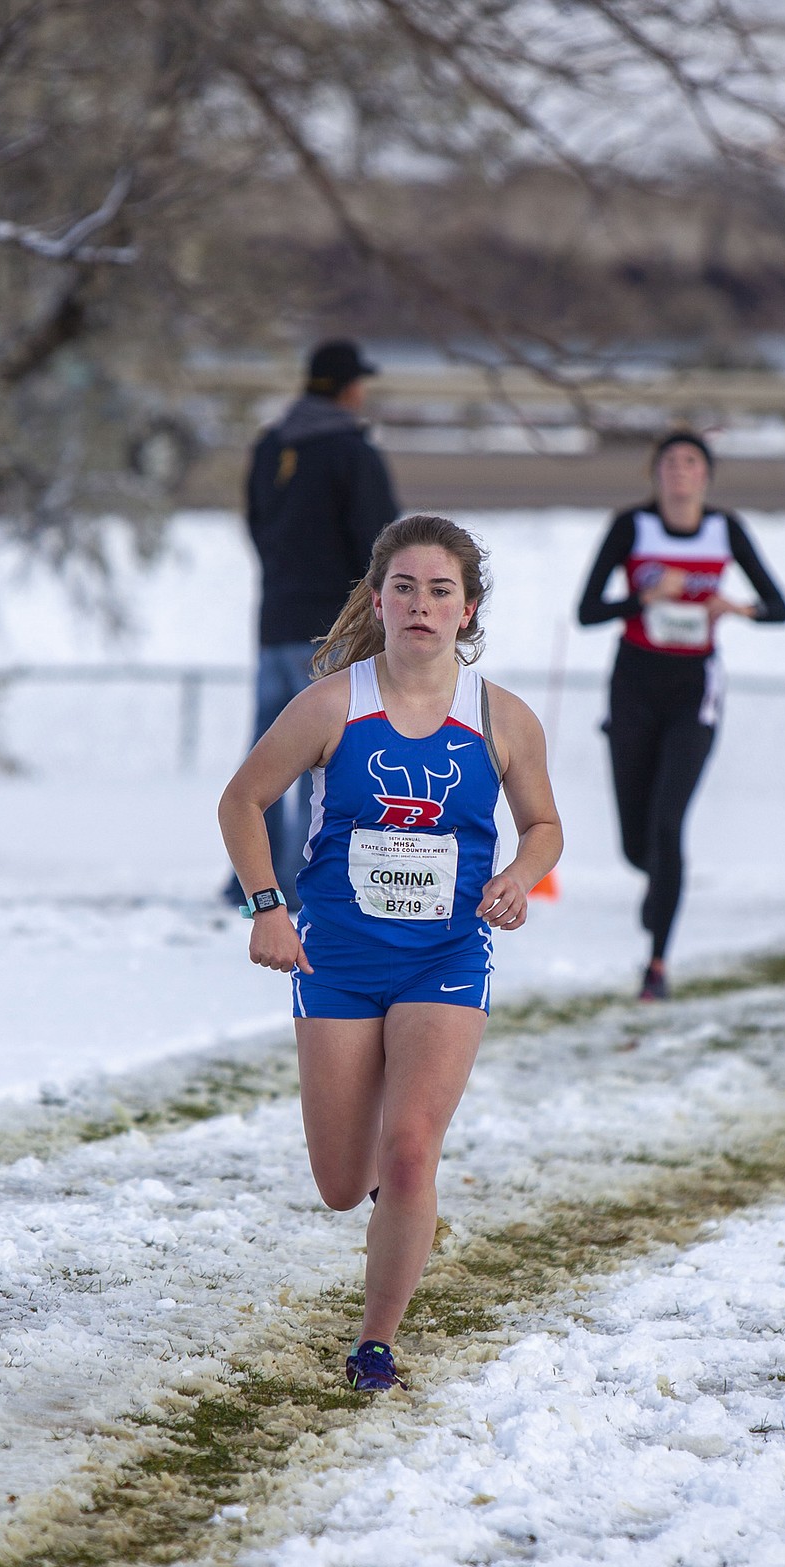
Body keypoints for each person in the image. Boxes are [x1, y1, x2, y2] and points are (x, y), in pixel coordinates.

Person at [218, 514, 562, 1392]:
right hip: (334, 956)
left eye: (440, 589)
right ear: (379, 600)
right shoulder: (335, 702)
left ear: (467, 608)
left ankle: (376, 1343)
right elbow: (242, 801)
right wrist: (268, 908)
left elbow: (545, 826)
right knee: (342, 1182)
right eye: (404, 587)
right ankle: (386, 1205)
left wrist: (521, 875)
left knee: (410, 1149)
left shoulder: (503, 717)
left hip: (444, 956)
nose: (421, 603)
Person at [577, 429, 785, 1000]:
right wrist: (642, 599)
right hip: (634, 684)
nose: (679, 470)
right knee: (636, 844)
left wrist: (737, 607)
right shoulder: (632, 527)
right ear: (655, 473)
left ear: (706, 476)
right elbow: (587, 610)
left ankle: (657, 966)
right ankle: (658, 886)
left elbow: (780, 608)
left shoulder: (725, 530)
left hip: (695, 689)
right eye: (669, 461)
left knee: (669, 826)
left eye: (691, 461)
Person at [225, 338, 400, 907]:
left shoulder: (273, 445)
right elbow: (382, 548)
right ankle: (301, 883)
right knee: (316, 760)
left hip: (274, 620)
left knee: (264, 760)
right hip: (330, 630)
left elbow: (255, 525)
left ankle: (250, 879)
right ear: (350, 389)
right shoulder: (353, 453)